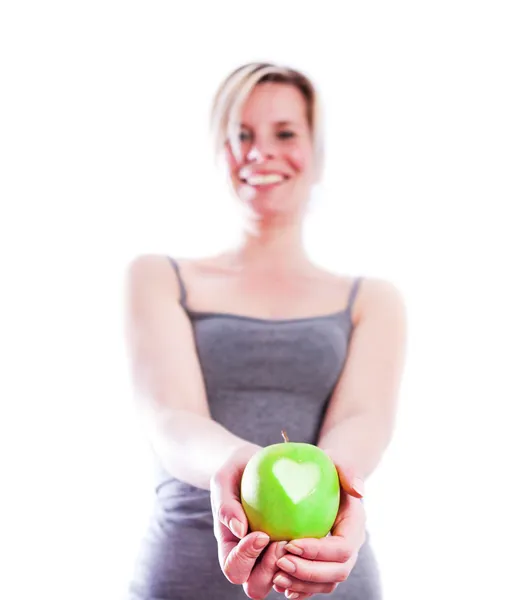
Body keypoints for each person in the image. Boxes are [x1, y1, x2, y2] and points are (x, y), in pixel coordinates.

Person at [124, 62, 407, 600]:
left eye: (285, 133)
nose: (260, 152)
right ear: (219, 150)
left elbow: (363, 421)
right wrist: (240, 467)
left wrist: (341, 491)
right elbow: (170, 417)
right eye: (241, 135)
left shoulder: (372, 299)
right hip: (185, 575)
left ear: (317, 154)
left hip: (329, 572)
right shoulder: (158, 277)